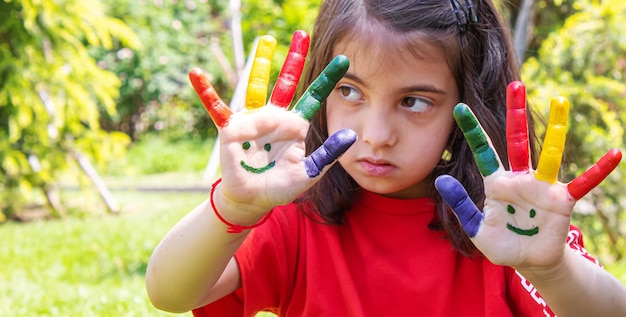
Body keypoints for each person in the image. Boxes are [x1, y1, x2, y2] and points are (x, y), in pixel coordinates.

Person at [145, 0, 626, 316]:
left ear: (470, 105)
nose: (375, 136)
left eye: (414, 101)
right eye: (350, 91)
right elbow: (170, 294)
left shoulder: (511, 225)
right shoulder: (296, 217)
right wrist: (235, 206)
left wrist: (552, 270)